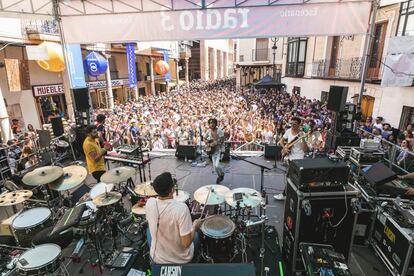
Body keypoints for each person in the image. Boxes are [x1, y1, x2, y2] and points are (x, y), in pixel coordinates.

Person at [145, 172, 203, 264]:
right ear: (172, 189)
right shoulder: (181, 208)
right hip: (181, 260)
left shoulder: (149, 203)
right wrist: (195, 227)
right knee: (197, 236)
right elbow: (186, 243)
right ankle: (196, 260)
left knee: (148, 231)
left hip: (157, 258)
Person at [274, 117, 308, 200]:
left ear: (299, 124)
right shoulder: (288, 131)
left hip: (298, 159)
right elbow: (281, 141)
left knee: (290, 177)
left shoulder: (302, 134)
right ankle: (293, 194)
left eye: (294, 124)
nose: (292, 125)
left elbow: (305, 149)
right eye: (291, 123)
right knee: (292, 177)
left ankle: (284, 194)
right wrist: (285, 148)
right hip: (290, 157)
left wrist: (302, 138)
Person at [205, 118, 225, 184]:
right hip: (212, 151)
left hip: (219, 150)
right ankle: (220, 176)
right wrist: (207, 143)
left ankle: (222, 173)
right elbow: (204, 138)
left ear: (215, 124)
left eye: (213, 123)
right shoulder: (208, 131)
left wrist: (216, 142)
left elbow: (222, 139)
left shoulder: (219, 130)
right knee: (214, 167)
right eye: (210, 123)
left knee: (217, 165)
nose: (211, 124)